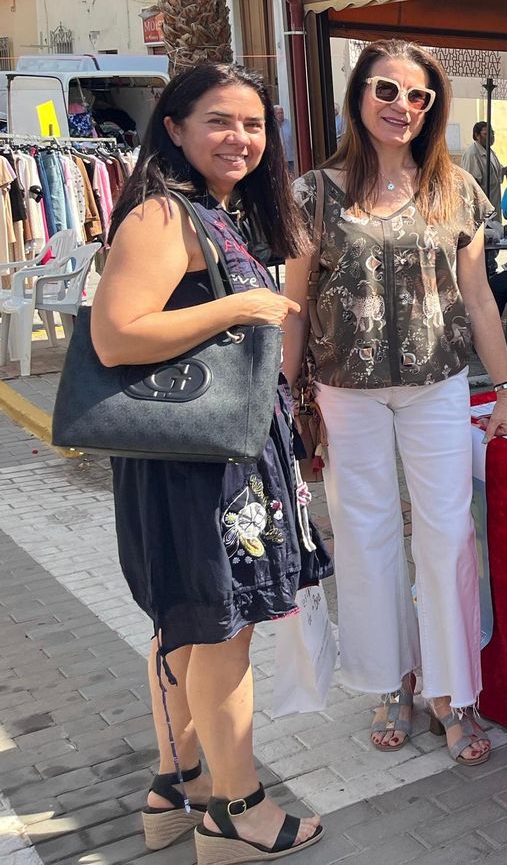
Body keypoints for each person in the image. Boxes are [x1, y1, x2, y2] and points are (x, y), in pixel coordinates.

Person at [95, 63, 326, 859]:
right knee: (224, 635)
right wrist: (244, 304)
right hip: (201, 466)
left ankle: (175, 785)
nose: (241, 138)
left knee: (189, 629)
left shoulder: (206, 213)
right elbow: (116, 334)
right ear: (175, 128)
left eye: (255, 124)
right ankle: (238, 809)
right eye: (221, 121)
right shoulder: (165, 217)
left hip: (203, 456)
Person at [284, 40, 507, 769]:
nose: (402, 106)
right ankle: (387, 681)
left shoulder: (453, 190)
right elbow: (293, 303)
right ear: (359, 95)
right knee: (365, 533)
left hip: (439, 384)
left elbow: (479, 297)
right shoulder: (312, 193)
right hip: (343, 389)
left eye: (418, 97)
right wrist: (283, 396)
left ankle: (454, 690)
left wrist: (506, 390)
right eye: (387, 89)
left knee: (449, 535)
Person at [461, 120, 504, 210]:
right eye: (486, 134)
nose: (491, 137)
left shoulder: (490, 152)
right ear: (477, 135)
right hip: (481, 209)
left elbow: (498, 174)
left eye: (492, 133)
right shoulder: (472, 154)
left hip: (494, 204)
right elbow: (471, 184)